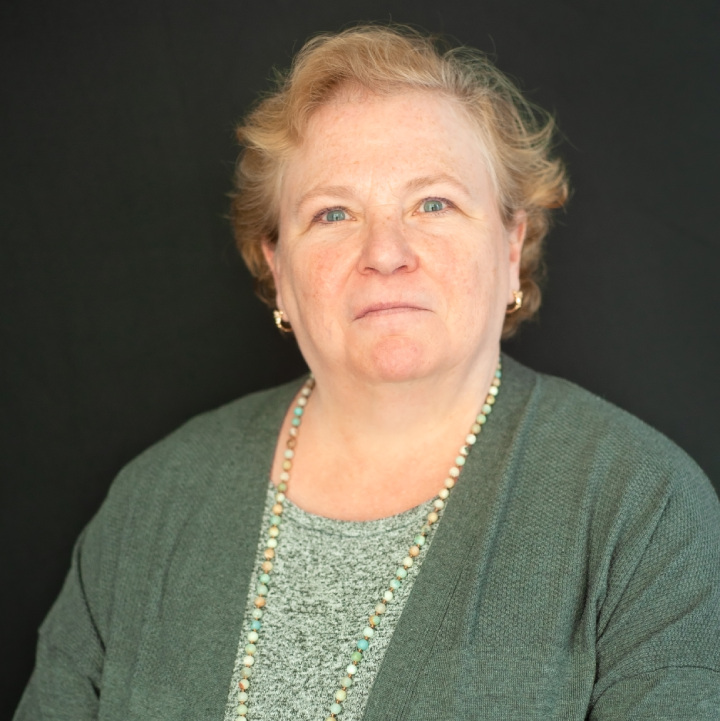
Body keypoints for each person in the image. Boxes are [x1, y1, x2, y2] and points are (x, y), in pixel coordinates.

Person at [14, 24, 720, 721]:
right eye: (333, 213)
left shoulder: (644, 511)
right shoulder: (153, 501)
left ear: (511, 245)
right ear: (278, 267)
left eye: (434, 203)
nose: (385, 251)